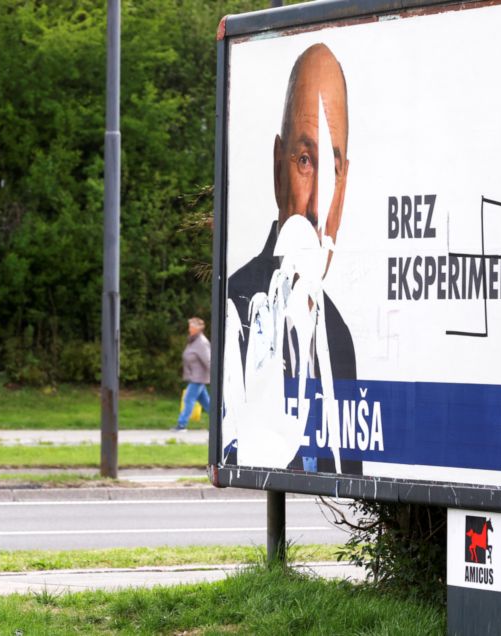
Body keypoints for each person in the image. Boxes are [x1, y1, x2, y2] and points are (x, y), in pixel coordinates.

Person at [225, 43, 360, 473]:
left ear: (344, 187)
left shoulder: (340, 338)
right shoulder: (238, 307)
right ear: (278, 169)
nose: (318, 204)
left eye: (332, 169)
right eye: (305, 161)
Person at [173, 317, 211, 431]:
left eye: (191, 327)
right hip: (195, 377)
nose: (189, 329)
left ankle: (181, 424)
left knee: (188, 400)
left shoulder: (201, 342)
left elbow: (208, 360)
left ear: (197, 328)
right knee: (207, 404)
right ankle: (223, 420)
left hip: (198, 378)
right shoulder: (193, 340)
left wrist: (217, 377)